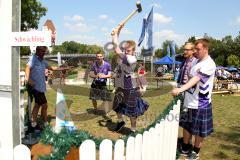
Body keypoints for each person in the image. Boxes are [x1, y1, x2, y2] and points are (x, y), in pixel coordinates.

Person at [171, 39, 216, 160]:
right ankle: (185, 148)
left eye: (198, 49)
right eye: (194, 49)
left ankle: (195, 152)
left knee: (199, 131)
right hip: (189, 101)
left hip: (201, 103)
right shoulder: (197, 61)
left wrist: (180, 89)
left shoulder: (209, 64)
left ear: (206, 49)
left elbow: (195, 79)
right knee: (186, 126)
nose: (195, 51)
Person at [111, 23, 149, 132]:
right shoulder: (123, 58)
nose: (126, 51)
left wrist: (115, 35)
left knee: (132, 112)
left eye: (128, 50)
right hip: (120, 86)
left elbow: (115, 47)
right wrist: (118, 31)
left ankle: (133, 129)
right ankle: (120, 122)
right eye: (125, 49)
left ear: (133, 51)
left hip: (130, 89)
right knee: (117, 107)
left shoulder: (132, 59)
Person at [25, 46, 69, 128]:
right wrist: (28, 79)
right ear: (37, 51)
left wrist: (65, 68)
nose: (43, 53)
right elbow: (27, 68)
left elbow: (52, 68)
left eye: (44, 51)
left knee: (37, 104)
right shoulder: (33, 59)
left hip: (41, 87)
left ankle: (33, 122)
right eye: (42, 51)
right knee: (44, 105)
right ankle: (45, 122)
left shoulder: (43, 61)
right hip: (35, 87)